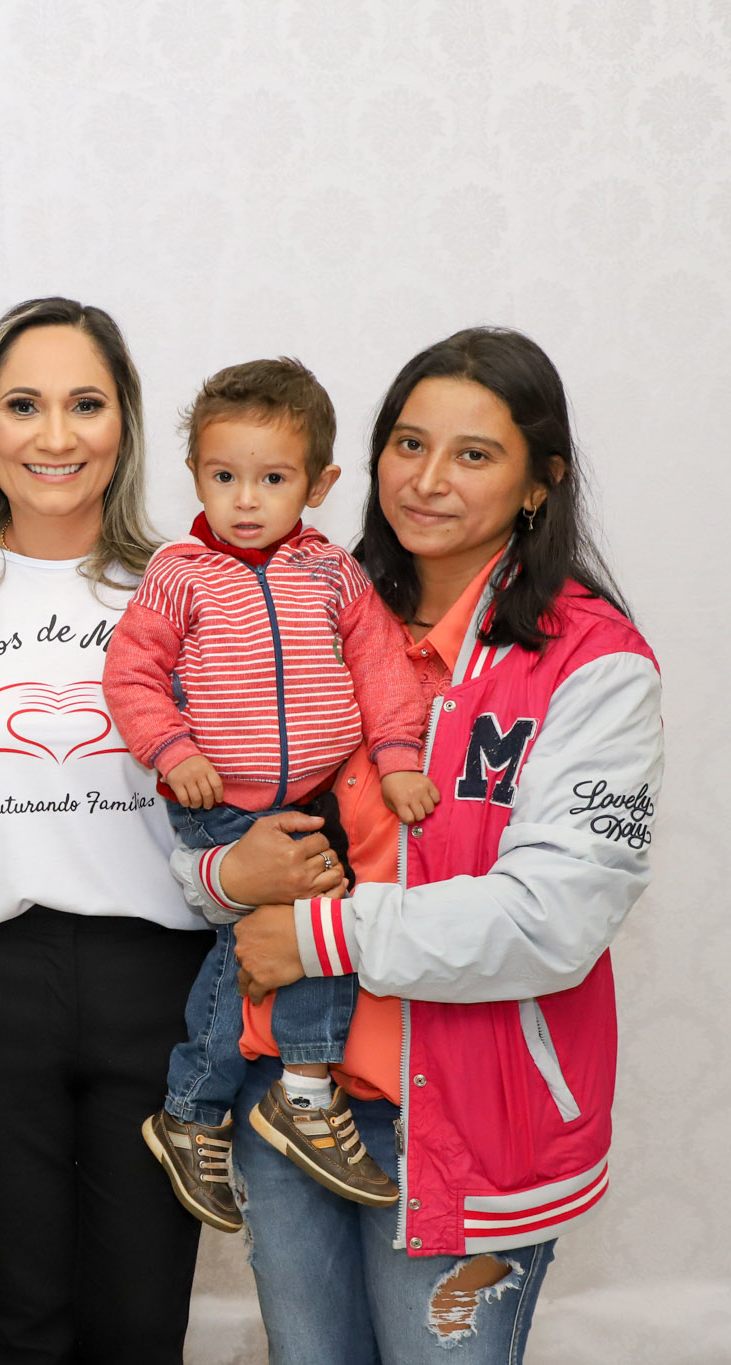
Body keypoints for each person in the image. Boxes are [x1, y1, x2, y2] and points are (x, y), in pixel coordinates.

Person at [0, 300, 347, 1364]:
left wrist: (248, 869)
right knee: (24, 1323)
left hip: (161, 988)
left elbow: (272, 773)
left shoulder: (195, 584)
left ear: (125, 424)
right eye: (23, 405)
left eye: (86, 404)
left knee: (140, 1327)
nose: (55, 435)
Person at [220, 328, 660, 1364]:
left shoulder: (595, 664)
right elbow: (216, 802)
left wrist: (319, 935)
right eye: (408, 444)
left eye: (473, 455)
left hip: (469, 1131)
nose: (425, 480)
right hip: (291, 1102)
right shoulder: (309, 613)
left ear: (539, 483)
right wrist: (223, 872)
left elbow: (554, 917)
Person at [101, 358, 435, 1231]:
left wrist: (399, 758)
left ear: (319, 484)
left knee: (321, 934)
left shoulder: (332, 573)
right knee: (245, 946)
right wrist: (172, 749)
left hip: (316, 796)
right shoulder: (180, 573)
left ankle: (289, 1093)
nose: (246, 499)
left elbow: (383, 669)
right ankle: (210, 1105)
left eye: (274, 479)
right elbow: (132, 673)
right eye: (224, 477)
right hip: (218, 795)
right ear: (194, 475)